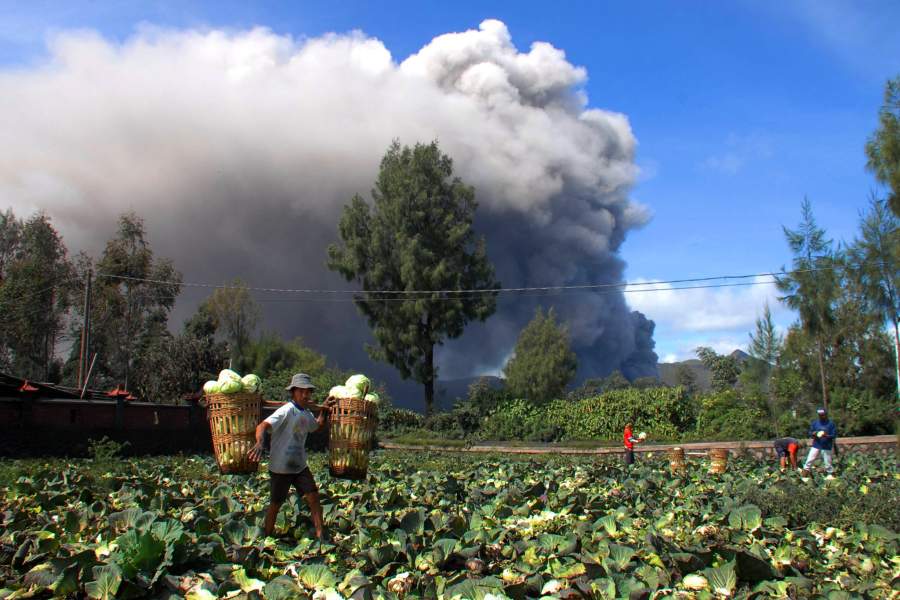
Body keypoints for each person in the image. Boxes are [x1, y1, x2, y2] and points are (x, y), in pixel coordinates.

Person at [250, 373, 334, 541]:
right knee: (275, 504)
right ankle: (266, 537)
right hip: (280, 467)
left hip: (299, 466)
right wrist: (260, 442)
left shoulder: (307, 413)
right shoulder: (287, 410)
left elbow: (316, 426)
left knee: (313, 497)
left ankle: (320, 536)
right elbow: (263, 425)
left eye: (308, 392)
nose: (305, 395)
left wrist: (324, 410)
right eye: (301, 391)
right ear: (294, 392)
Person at [802, 408, 837, 477]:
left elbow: (834, 435)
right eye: (820, 415)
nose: (821, 416)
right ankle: (805, 474)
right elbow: (810, 433)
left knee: (828, 462)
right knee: (809, 459)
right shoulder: (815, 423)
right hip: (816, 444)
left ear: (826, 415)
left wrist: (826, 435)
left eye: (822, 415)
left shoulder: (831, 424)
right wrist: (813, 434)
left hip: (826, 445)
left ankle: (831, 475)